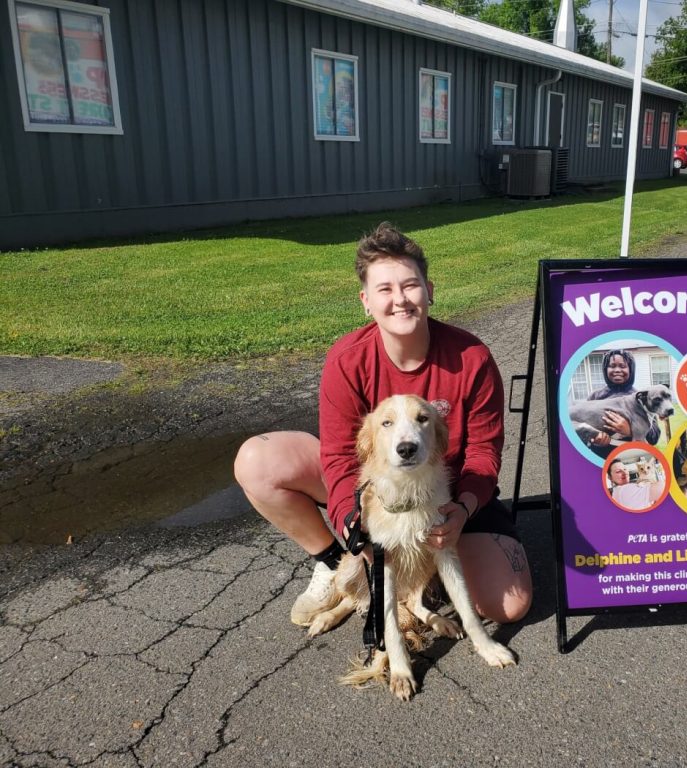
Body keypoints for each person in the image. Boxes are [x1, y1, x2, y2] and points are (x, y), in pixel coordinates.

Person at [234, 223, 532, 628]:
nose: (400, 300)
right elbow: (339, 456)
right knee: (257, 460)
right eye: (385, 290)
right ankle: (334, 562)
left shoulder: (472, 357)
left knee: (509, 608)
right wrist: (355, 528)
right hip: (378, 490)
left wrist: (462, 510)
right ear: (366, 301)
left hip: (444, 493)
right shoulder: (347, 359)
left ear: (429, 290)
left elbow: (483, 452)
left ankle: (430, 570)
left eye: (410, 286)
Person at [585, 349, 661, 458]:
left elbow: (654, 437)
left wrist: (631, 431)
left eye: (622, 366)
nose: (617, 370)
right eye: (612, 366)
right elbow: (583, 431)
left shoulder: (642, 398)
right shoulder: (595, 398)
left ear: (631, 369)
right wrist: (595, 438)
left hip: (631, 458)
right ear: (605, 369)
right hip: (601, 458)